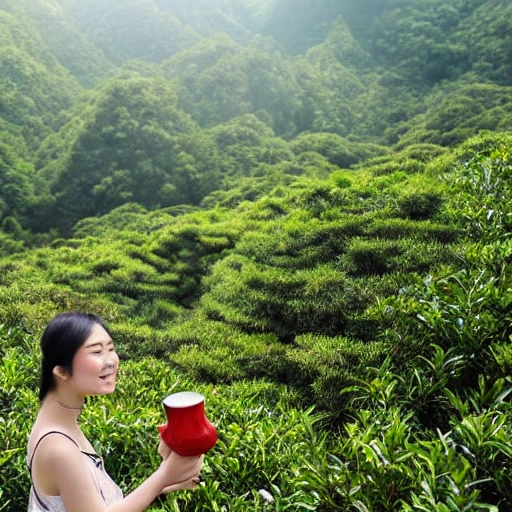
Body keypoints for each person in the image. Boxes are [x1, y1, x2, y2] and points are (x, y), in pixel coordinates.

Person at [27, 311, 203, 512]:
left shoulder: (58, 421)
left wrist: (166, 482)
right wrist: (164, 476)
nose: (110, 361)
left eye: (111, 349)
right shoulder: (59, 447)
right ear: (60, 370)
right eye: (96, 352)